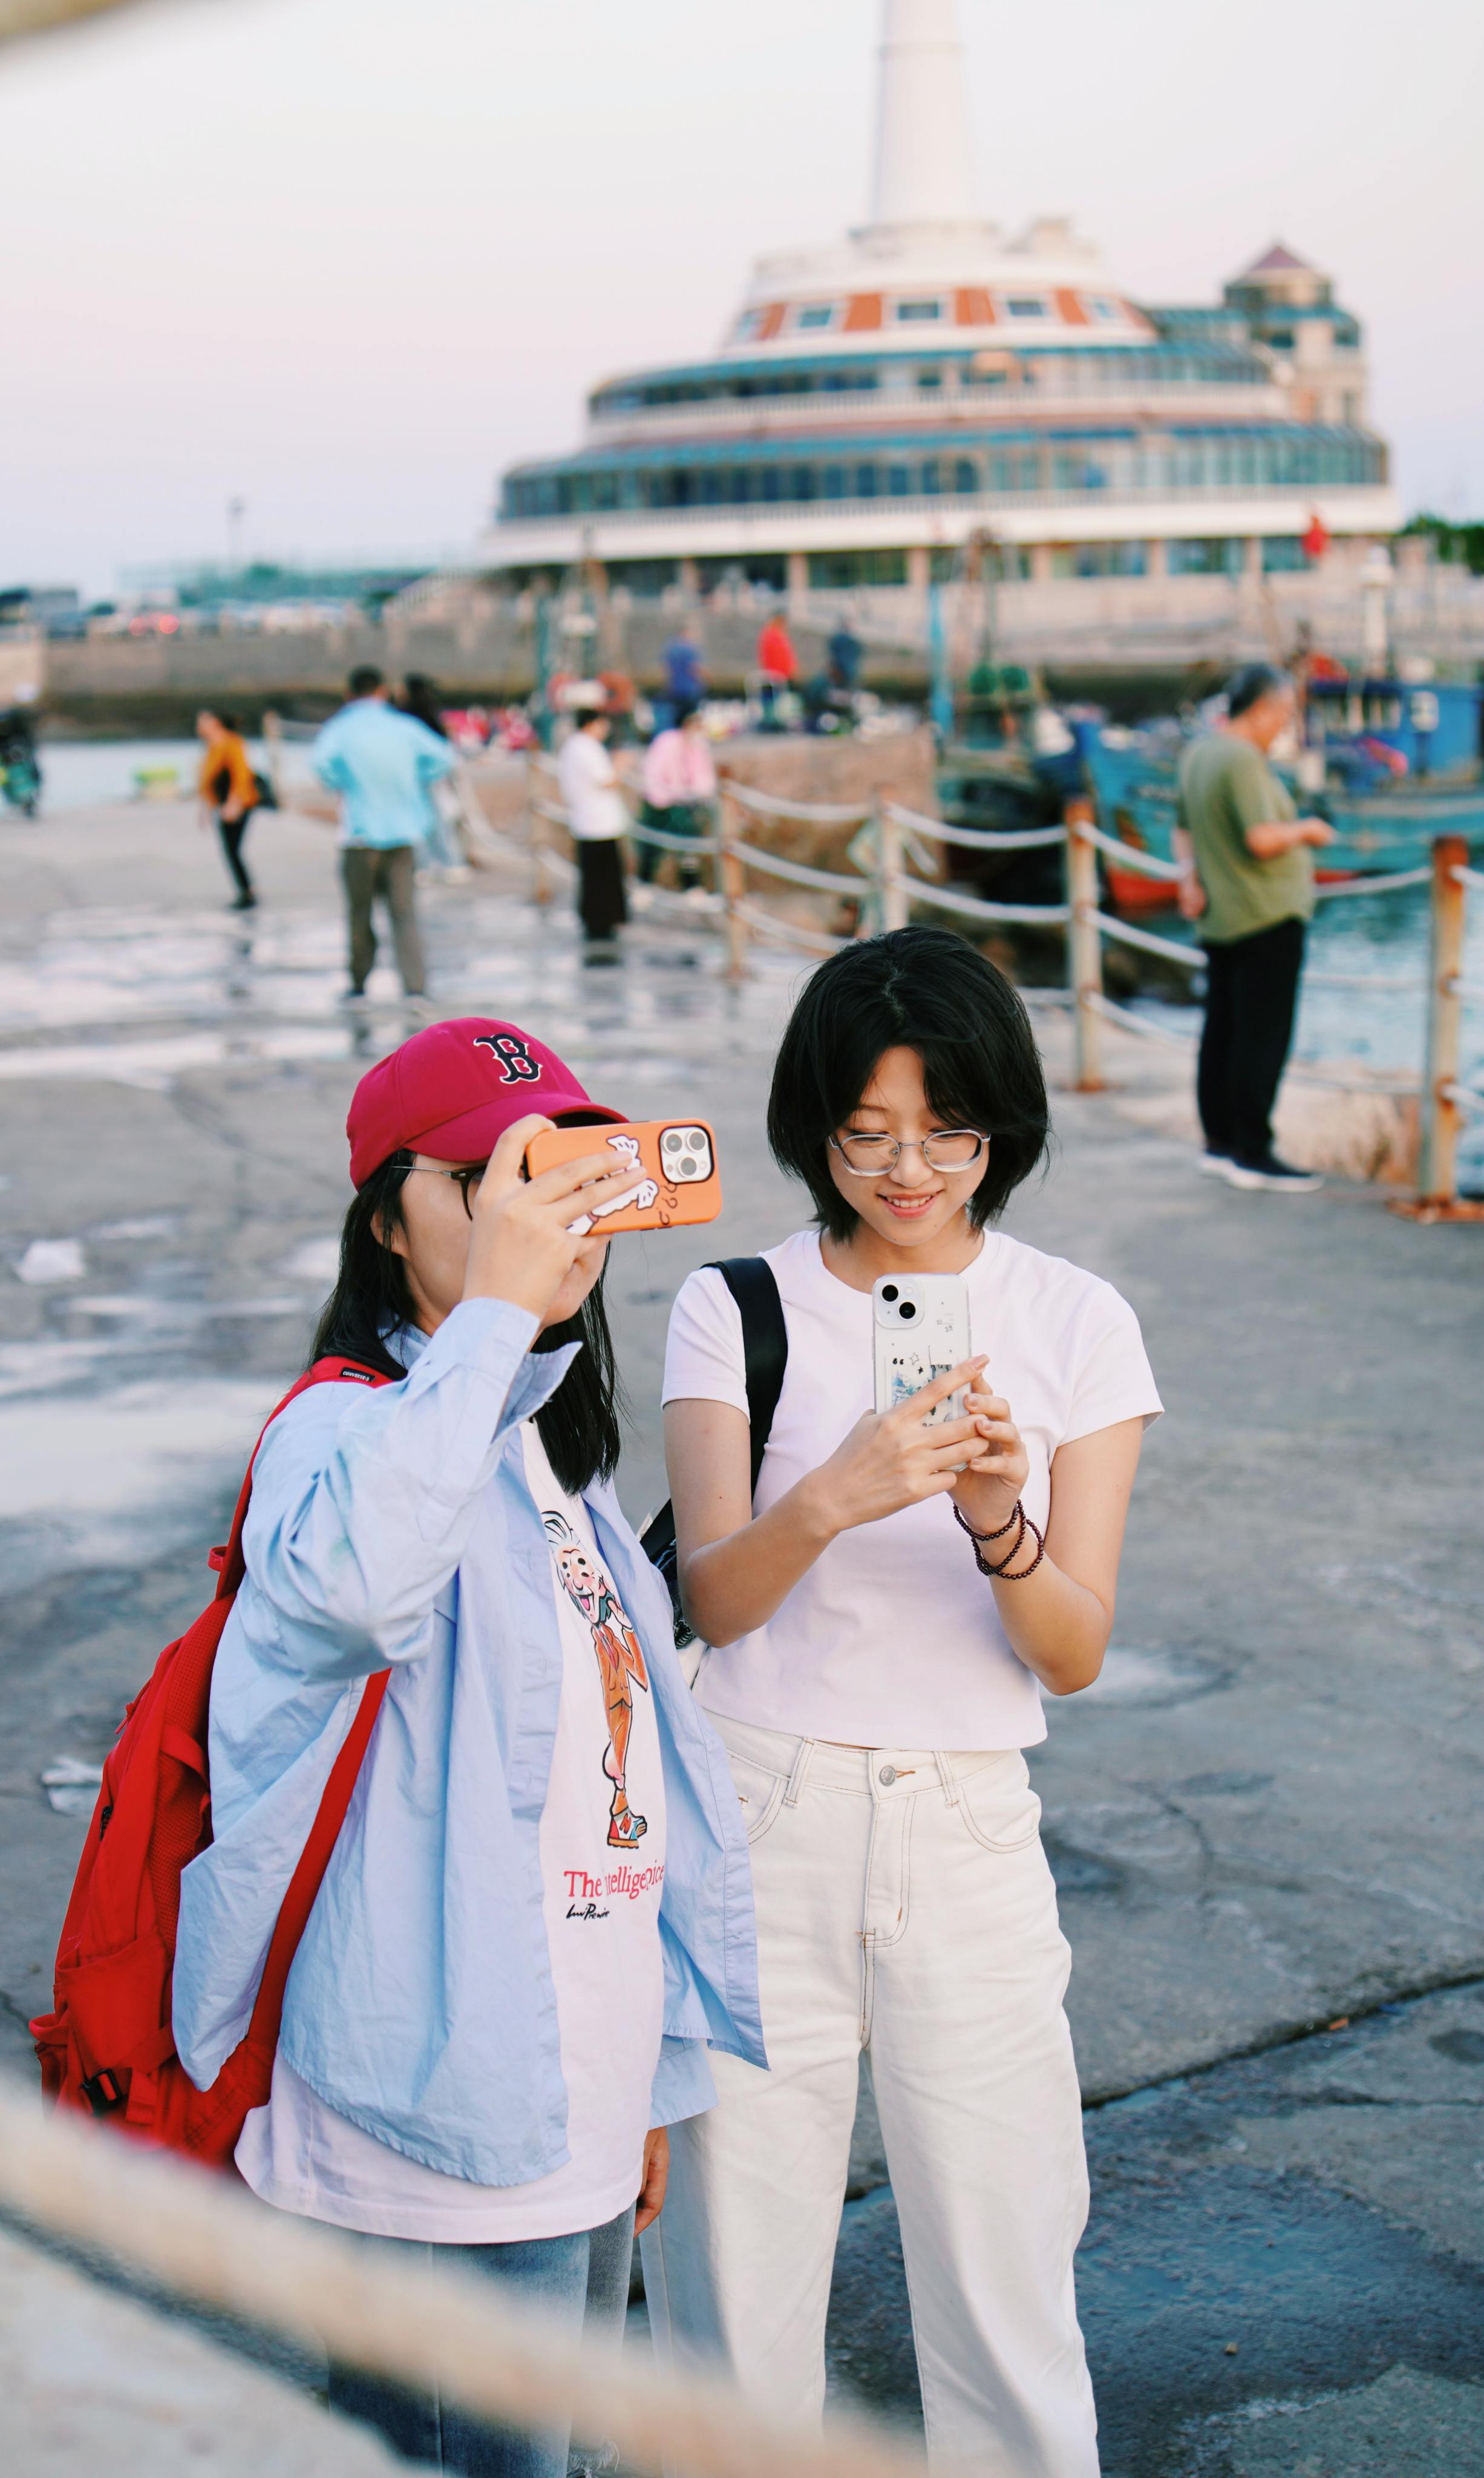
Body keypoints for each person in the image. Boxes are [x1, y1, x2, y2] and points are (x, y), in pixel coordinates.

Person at [171, 1015, 763, 2478]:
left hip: (564, 2099)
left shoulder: (549, 1446)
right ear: (389, 1219)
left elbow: (601, 1804)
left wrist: (637, 2088)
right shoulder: (342, 1437)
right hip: (428, 2131)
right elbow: (365, 1588)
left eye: (571, 1175)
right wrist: (499, 1310)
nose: (551, 1217)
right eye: (495, 1184)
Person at [644, 926, 1162, 2478]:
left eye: (947, 1131)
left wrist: (996, 1519)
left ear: (998, 1126)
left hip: (967, 1828)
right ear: (815, 1128)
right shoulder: (727, 1304)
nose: (908, 1170)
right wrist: (838, 1494)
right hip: (755, 1809)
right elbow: (712, 1604)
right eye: (866, 1135)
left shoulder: (1076, 1318)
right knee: (733, 2301)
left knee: (1007, 2281)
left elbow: (1068, 1650)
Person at [1174, 662, 1338, 1192]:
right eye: (1284, 715)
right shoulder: (1242, 759)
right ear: (1263, 709)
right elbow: (1261, 839)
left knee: (1221, 1032)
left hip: (1222, 913)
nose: (1284, 727)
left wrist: (1189, 882)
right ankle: (1254, 1151)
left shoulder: (1199, 752)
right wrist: (1308, 829)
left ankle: (1220, 1144)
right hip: (1265, 913)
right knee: (1261, 1037)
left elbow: (1180, 826)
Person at [312, 665, 457, 1003]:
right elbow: (444, 757)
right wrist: (416, 780)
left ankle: (359, 983)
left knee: (359, 915)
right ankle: (416, 987)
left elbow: (320, 764)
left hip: (358, 837)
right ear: (382, 691)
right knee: (405, 915)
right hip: (404, 834)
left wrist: (343, 783)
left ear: (350, 694)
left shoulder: (340, 728)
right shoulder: (404, 727)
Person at [557, 711, 630, 956]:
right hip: (598, 823)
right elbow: (606, 780)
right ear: (593, 723)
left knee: (593, 879)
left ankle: (596, 920)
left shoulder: (572, 747)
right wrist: (621, 765)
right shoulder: (587, 747)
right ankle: (602, 924)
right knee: (603, 879)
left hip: (586, 821)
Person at [394, 672, 470, 880]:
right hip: (432, 775)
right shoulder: (431, 715)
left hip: (419, 776)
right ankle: (448, 863)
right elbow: (446, 750)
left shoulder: (406, 718)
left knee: (426, 821)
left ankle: (429, 864)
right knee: (439, 820)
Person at [636, 707, 716, 891]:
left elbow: (705, 778)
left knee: (688, 846)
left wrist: (695, 793)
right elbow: (653, 773)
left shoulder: (698, 747)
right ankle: (644, 884)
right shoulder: (667, 742)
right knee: (651, 846)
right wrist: (668, 794)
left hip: (684, 804)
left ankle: (691, 886)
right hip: (659, 803)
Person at [196, 707, 261, 910]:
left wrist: (234, 804)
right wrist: (207, 807)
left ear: (215, 722)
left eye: (203, 721)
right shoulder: (212, 747)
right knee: (230, 850)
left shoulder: (232, 743)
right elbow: (208, 781)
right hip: (223, 804)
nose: (198, 726)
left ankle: (247, 893)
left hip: (239, 804)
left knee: (233, 849)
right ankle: (245, 891)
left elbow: (241, 775)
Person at [755, 609, 798, 729]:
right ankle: (772, 721)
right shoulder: (773, 635)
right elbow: (778, 656)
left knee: (773, 698)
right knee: (772, 698)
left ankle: (773, 720)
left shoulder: (774, 634)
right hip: (776, 674)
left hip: (777, 673)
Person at [660, 627, 704, 727]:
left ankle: (676, 736)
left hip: (675, 689)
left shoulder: (671, 649)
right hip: (689, 689)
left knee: (677, 717)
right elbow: (694, 669)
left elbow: (666, 670)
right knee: (691, 717)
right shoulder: (690, 650)